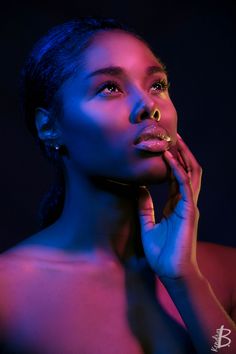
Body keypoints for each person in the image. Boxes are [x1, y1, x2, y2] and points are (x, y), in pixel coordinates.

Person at [0, 17, 235, 354]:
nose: (149, 107)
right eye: (110, 87)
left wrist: (185, 280)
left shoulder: (226, 273)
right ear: (49, 127)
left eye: (157, 85)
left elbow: (220, 347)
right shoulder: (8, 297)